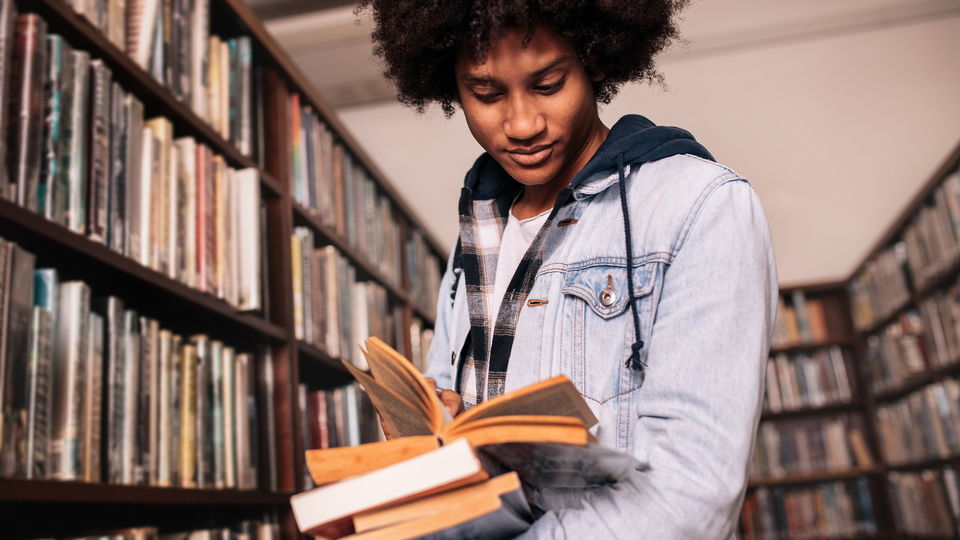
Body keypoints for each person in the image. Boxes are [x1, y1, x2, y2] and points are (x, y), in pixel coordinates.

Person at [359, 1, 778, 537]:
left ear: (595, 62)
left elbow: (690, 493)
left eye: (549, 84)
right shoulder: (476, 233)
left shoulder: (700, 205)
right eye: (486, 94)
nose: (522, 124)